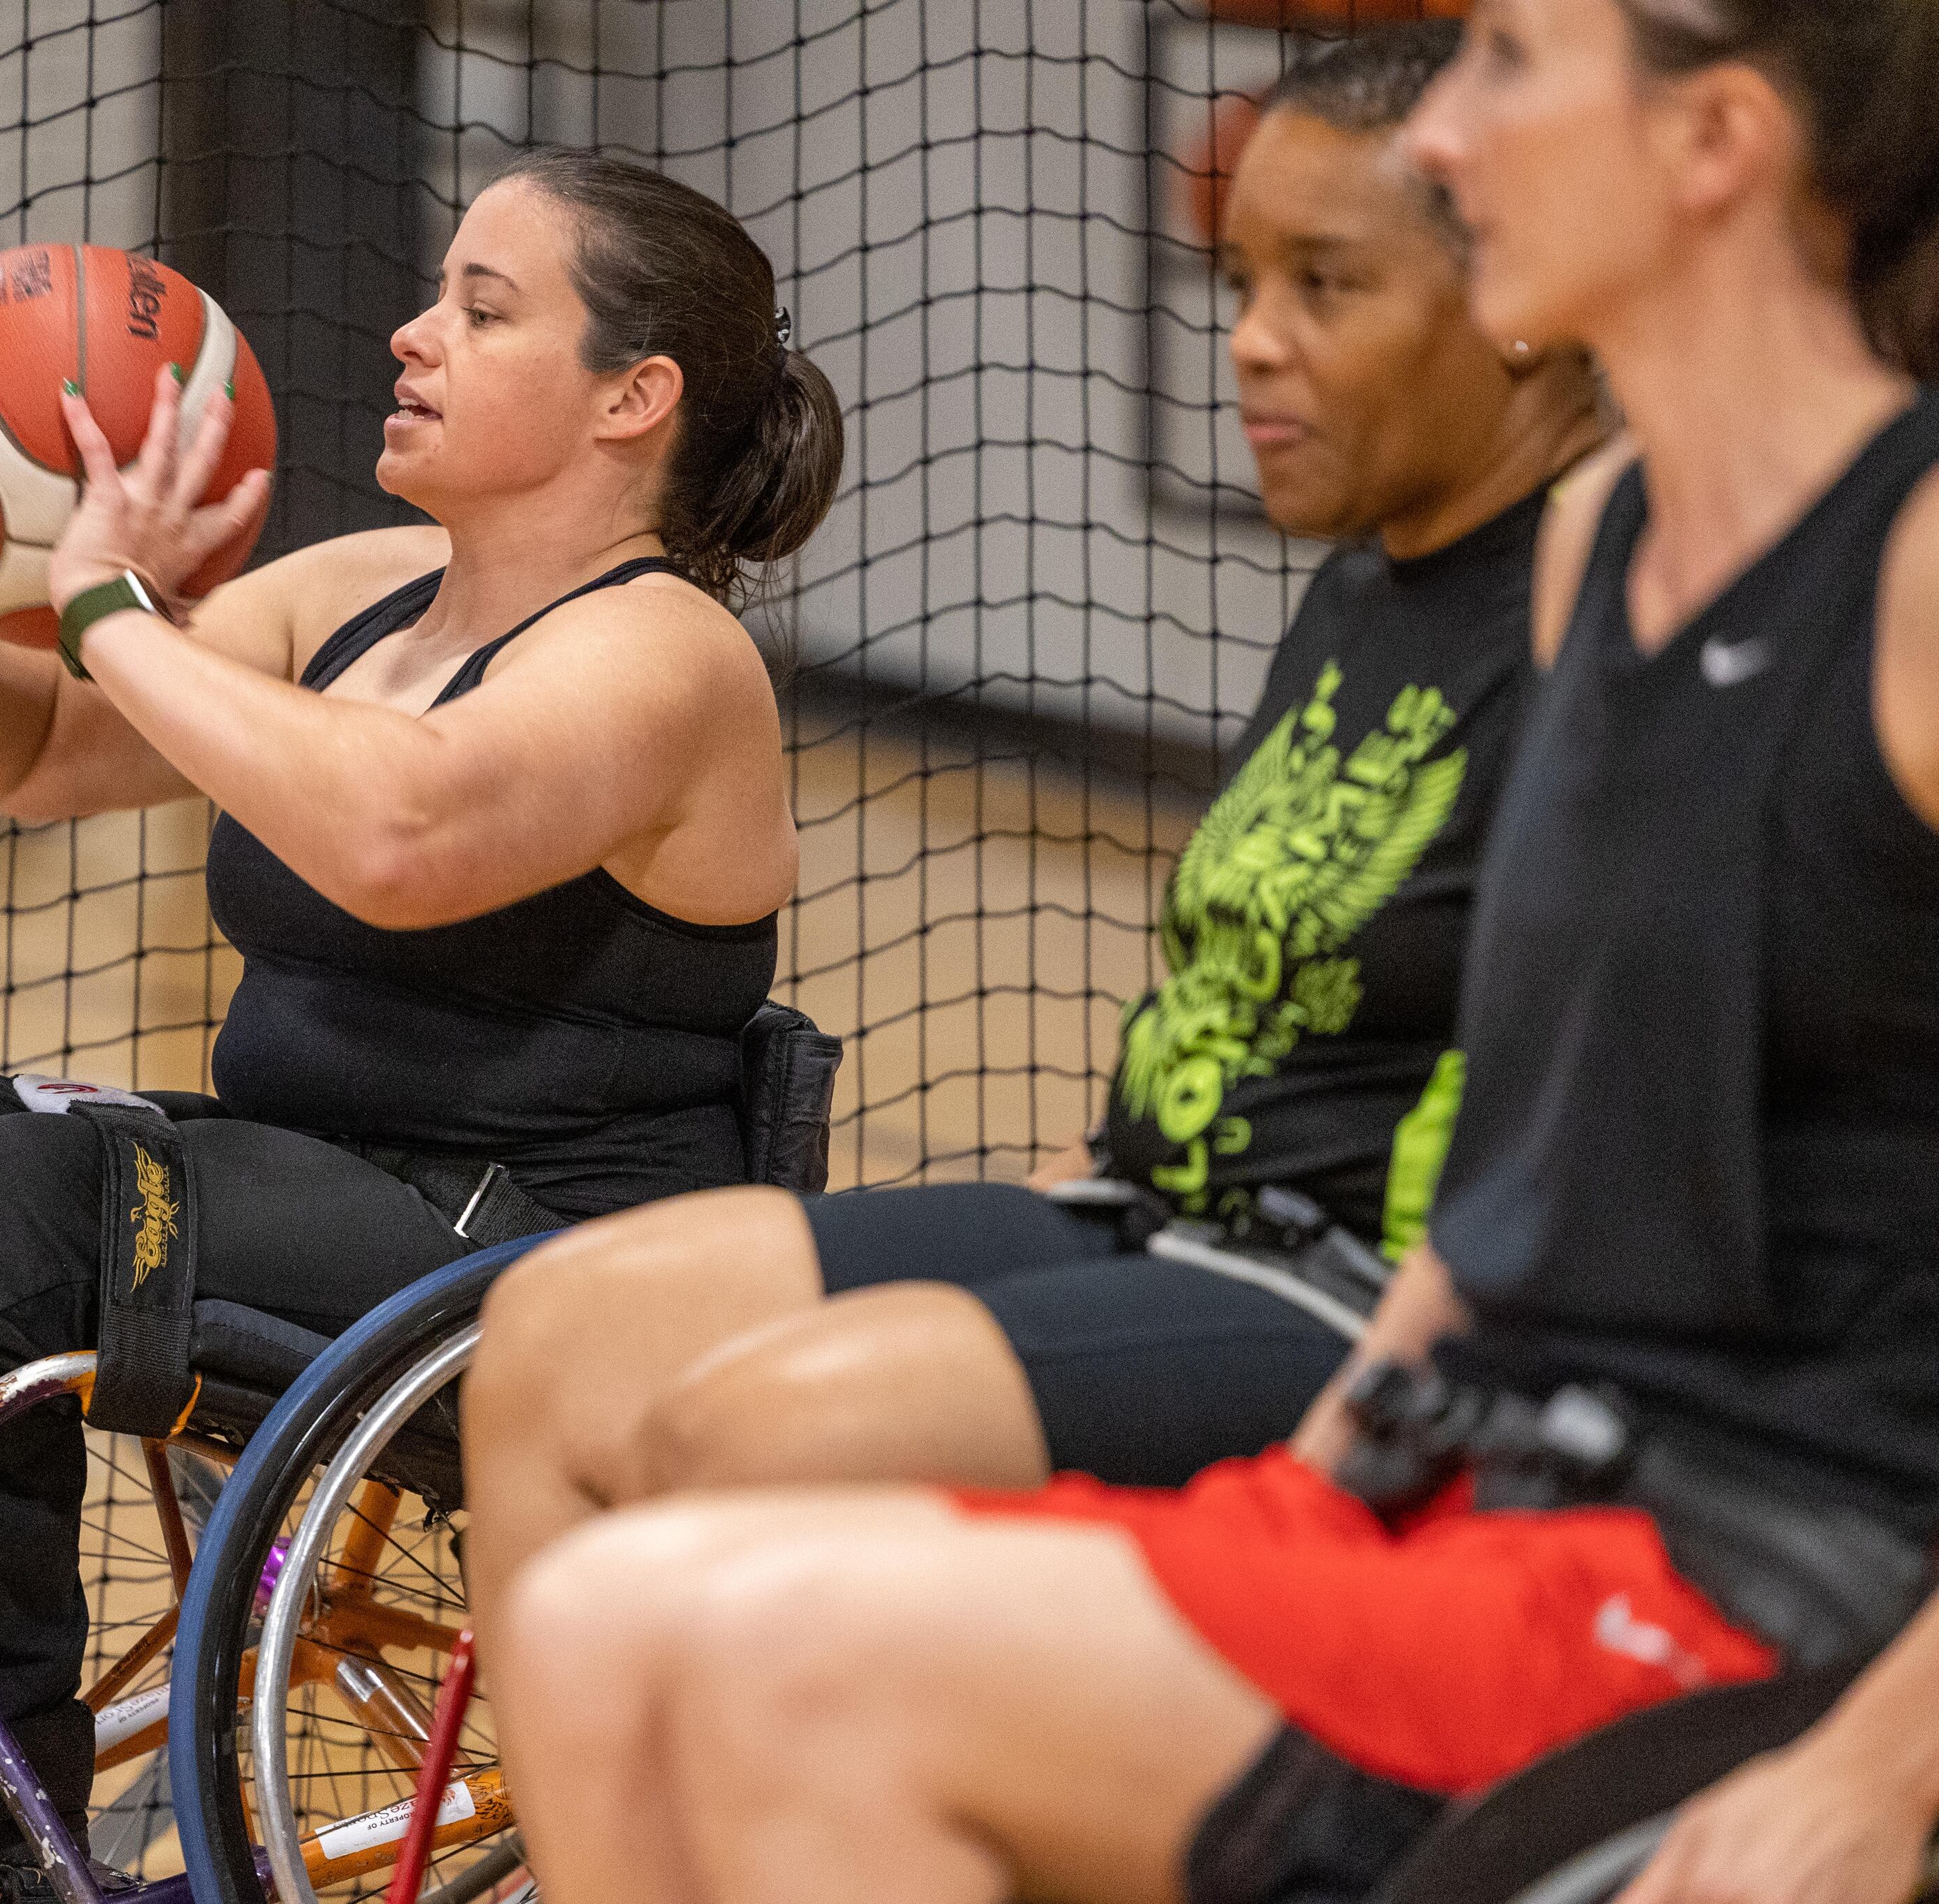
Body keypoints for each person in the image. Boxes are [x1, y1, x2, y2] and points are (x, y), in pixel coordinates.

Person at [492, 2, 1939, 1901]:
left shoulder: (1912, 563)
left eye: (1510, 60)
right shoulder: (1612, 545)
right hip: (1483, 1471)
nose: (1451, 137)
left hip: (1770, 1574)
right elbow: (1532, 1152)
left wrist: (1885, 1769)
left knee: (787, 1676)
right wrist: (1336, 1467)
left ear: (1714, 142)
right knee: (603, 1628)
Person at [0, 149, 844, 1873]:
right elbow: (42, 752)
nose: (413, 335)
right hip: (334, 1191)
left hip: (543, 1273)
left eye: (482, 311)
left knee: (24, 1201)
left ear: (630, 399)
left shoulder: (669, 655)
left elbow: (398, 831)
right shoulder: (357, 592)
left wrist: (112, 608)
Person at [464, 22, 1608, 1659]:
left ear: (1516, 300)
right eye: (1242, 287)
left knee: (755, 1436)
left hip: (1357, 1297)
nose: (1255, 346)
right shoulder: (1375, 574)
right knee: (558, 1325)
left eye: (1326, 288)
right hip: (1157, 1212)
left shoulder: (1600, 602)